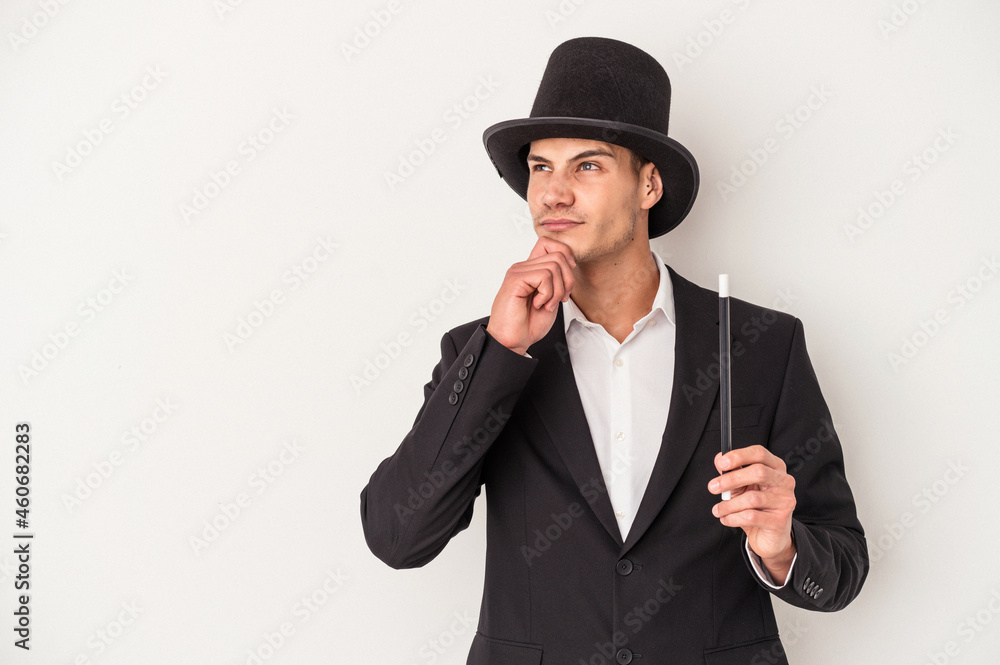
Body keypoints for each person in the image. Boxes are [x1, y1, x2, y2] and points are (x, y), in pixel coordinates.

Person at [360, 37, 867, 665]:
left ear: (648, 184)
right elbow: (397, 537)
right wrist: (500, 352)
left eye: (587, 167)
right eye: (540, 167)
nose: (553, 193)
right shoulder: (480, 350)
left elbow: (843, 568)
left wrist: (782, 547)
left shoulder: (762, 343)